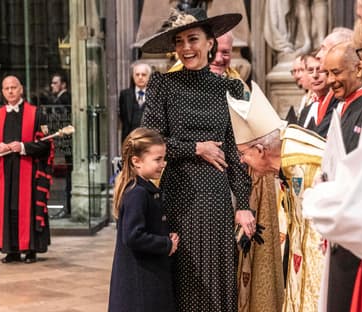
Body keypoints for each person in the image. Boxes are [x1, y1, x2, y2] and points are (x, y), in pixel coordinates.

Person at [141, 8, 254, 311]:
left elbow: (235, 152)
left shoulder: (228, 88)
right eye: (179, 41)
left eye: (193, 39)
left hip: (216, 200)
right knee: (182, 276)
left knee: (217, 279)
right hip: (178, 195)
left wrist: (242, 205)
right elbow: (149, 142)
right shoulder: (162, 85)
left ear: (209, 43)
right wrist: (196, 148)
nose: (186, 47)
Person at [227, 81, 326, 311]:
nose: (241, 161)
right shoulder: (285, 155)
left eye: (243, 154)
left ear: (260, 150)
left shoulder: (304, 163)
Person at [108, 127, 179, 312]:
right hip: (141, 280)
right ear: (136, 161)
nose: (163, 164)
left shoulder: (142, 188)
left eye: (163, 158)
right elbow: (133, 236)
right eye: (157, 159)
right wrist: (166, 244)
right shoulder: (137, 193)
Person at [0, 75, 53, 264]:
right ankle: (11, 250)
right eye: (6, 88)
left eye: (14, 87)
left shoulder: (37, 113)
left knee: (27, 208)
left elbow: (47, 144)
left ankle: (31, 249)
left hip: (29, 173)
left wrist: (23, 147)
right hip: (4, 173)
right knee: (8, 209)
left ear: (21, 89)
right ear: (2, 91)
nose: (11, 91)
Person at [321, 40, 362, 312]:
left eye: (336, 72)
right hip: (340, 228)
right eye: (327, 73)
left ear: (359, 68)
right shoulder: (342, 107)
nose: (330, 80)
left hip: (356, 229)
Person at [49, 73, 73, 219]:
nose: (52, 85)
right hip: (66, 143)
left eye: (55, 83)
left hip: (68, 142)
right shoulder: (61, 99)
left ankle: (68, 207)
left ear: (63, 85)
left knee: (69, 174)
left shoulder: (64, 99)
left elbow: (62, 121)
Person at [119, 62, 152, 143]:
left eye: (143, 75)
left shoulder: (156, 96)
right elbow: (123, 117)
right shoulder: (124, 95)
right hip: (130, 140)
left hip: (149, 141)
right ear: (133, 76)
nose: (140, 77)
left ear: (149, 77)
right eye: (137, 74)